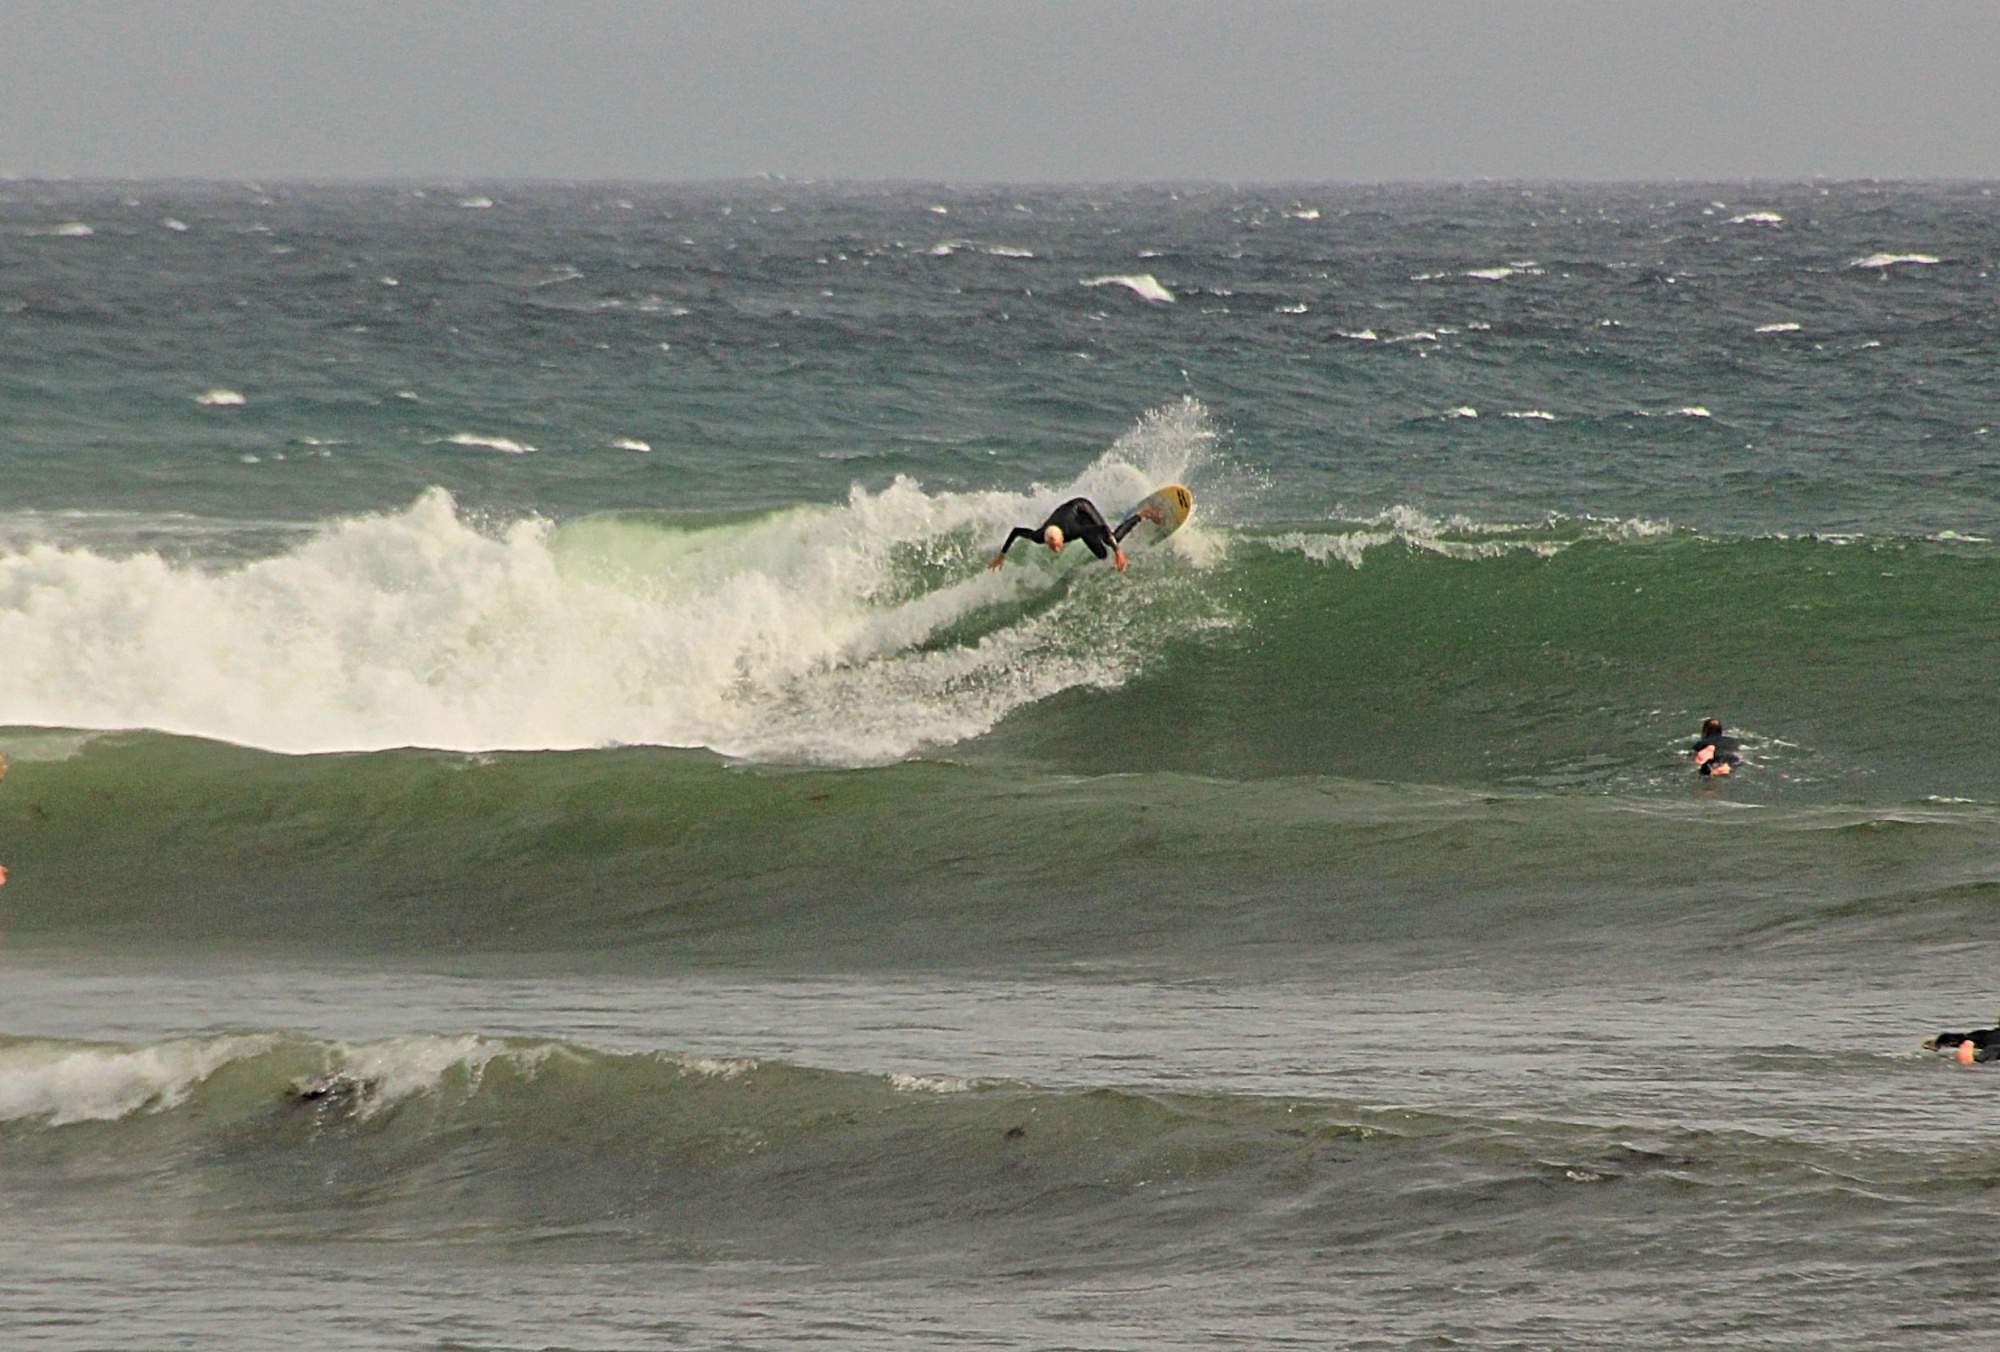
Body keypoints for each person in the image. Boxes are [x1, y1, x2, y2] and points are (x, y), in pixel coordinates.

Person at [988, 497, 1146, 572]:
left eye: (1057, 545)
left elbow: (1103, 528)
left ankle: (1142, 514)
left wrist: (1118, 552)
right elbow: (1016, 531)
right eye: (1052, 546)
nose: (1056, 549)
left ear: (1062, 538)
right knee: (1102, 554)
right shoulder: (1039, 536)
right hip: (1071, 518)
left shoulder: (1073, 531)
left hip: (1082, 508)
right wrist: (1002, 554)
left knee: (1111, 539)